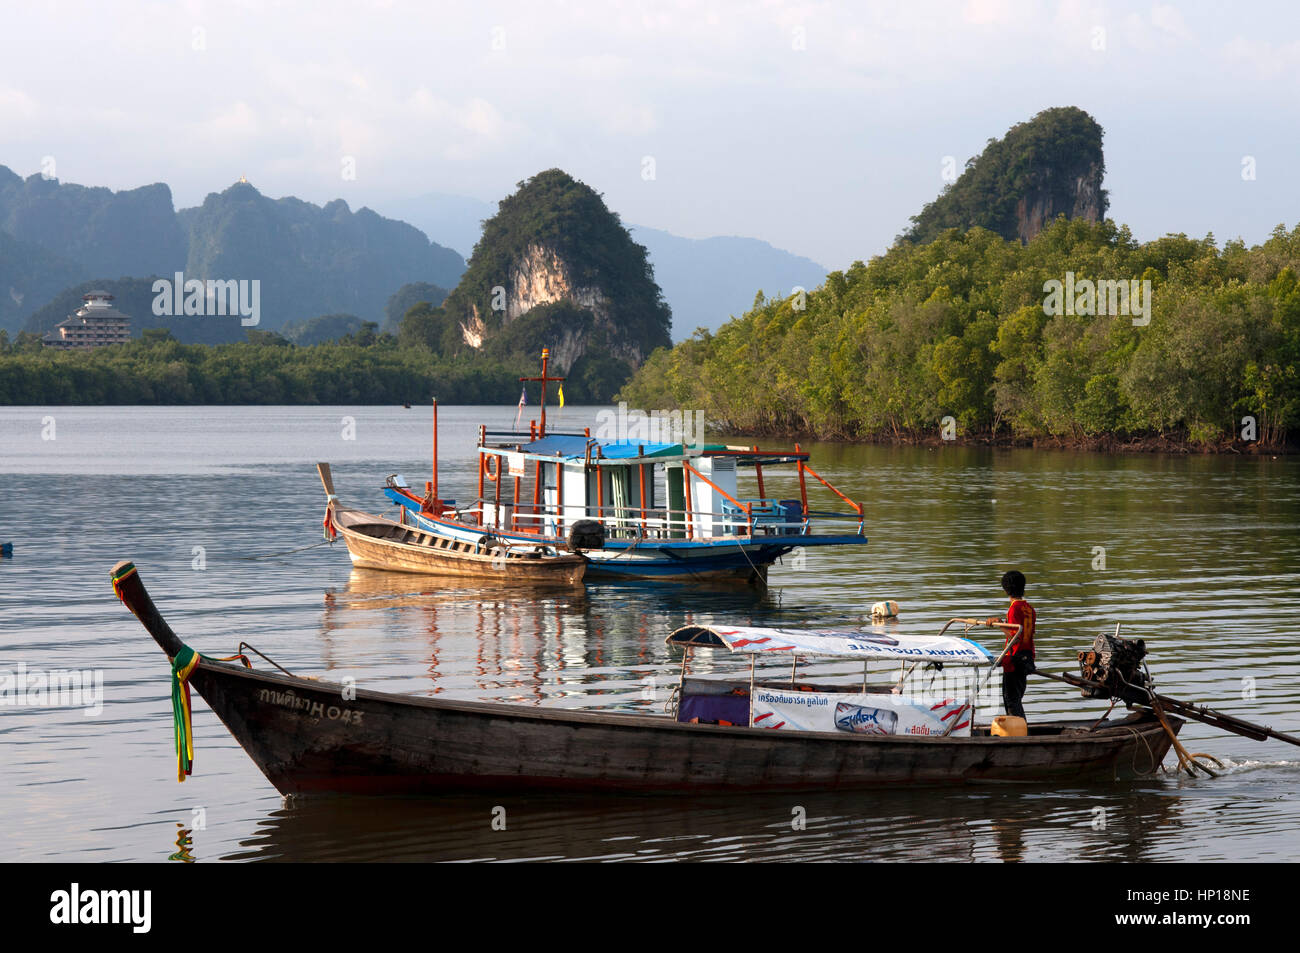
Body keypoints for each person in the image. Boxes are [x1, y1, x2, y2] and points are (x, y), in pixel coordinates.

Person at [987, 570, 1036, 719]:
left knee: (1011, 700)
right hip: (1027, 657)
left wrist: (998, 623)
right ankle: (1021, 731)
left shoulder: (1014, 608)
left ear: (1005, 589)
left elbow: (1015, 637)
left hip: (1015, 659)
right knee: (1016, 699)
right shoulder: (1029, 608)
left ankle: (1020, 734)